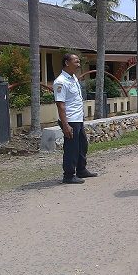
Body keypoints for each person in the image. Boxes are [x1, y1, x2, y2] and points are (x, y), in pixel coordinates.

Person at [54, 53, 97, 184]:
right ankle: (68, 175)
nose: (79, 65)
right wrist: (66, 125)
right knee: (71, 148)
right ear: (67, 63)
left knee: (82, 145)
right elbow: (60, 105)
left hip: (78, 118)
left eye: (79, 62)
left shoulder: (73, 79)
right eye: (76, 62)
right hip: (70, 119)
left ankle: (81, 169)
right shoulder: (61, 81)